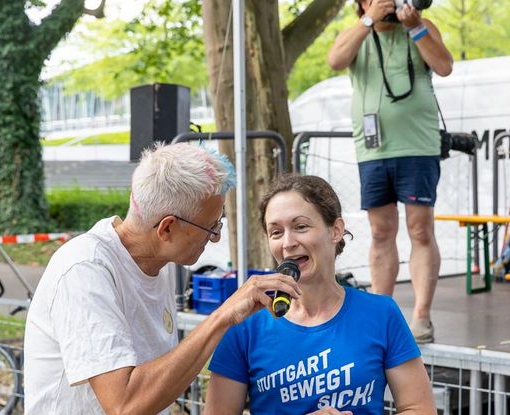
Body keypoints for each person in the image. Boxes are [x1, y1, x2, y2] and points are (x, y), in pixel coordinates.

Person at [23, 142, 301, 414]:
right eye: (210, 226)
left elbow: (157, 382)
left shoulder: (160, 264)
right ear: (167, 228)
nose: (215, 237)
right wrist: (222, 317)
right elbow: (124, 406)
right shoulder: (85, 269)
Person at [205, 174, 436, 415]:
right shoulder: (245, 323)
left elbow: (419, 408)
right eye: (276, 232)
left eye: (300, 227)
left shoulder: (381, 313)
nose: (288, 242)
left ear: (335, 230)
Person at [326, 0, 454, 343]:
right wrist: (369, 20)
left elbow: (443, 66)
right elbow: (335, 59)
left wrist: (415, 26)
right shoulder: (357, 33)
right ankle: (382, 315)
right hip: (373, 150)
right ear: (363, 3)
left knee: (420, 230)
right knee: (381, 232)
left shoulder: (421, 26)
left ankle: (422, 318)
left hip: (418, 146)